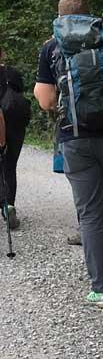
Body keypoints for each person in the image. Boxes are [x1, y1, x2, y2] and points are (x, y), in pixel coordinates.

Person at [34, 0, 103, 308]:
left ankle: (101, 289)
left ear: (60, 17)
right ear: (88, 15)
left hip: (76, 137)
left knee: (90, 212)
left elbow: (45, 99)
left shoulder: (52, 47)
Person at [0, 48, 30, 231]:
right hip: (15, 123)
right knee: (10, 165)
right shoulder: (12, 73)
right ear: (2, 54)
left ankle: (5, 203)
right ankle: (9, 206)